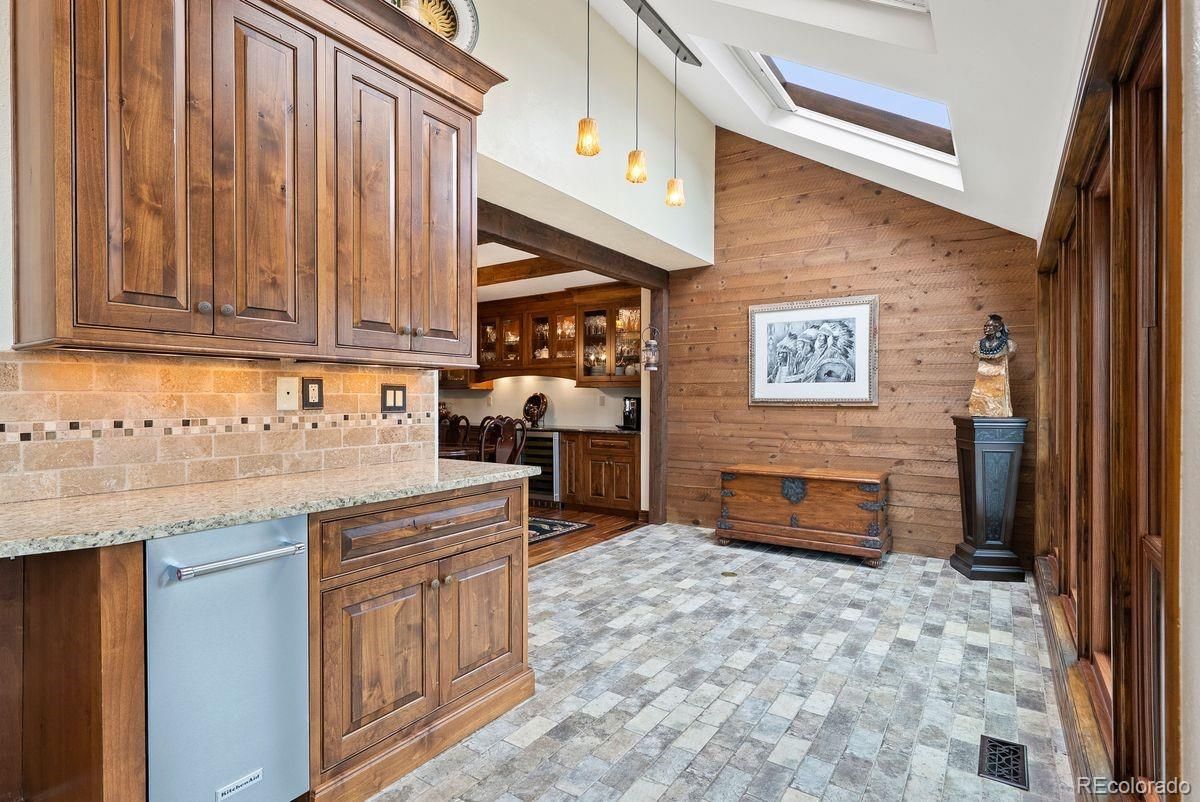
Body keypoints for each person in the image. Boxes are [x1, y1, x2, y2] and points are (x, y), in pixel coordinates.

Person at [968, 314, 1017, 416]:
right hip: (983, 378)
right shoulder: (978, 344)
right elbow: (975, 352)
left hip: (998, 378)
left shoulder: (1008, 344)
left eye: (990, 326)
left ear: (999, 328)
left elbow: (1011, 352)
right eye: (985, 326)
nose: (986, 328)